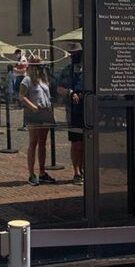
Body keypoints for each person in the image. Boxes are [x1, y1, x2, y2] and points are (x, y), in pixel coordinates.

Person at [18, 57, 56, 186]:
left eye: (42, 66)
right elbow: (21, 96)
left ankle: (42, 172)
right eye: (38, 66)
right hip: (34, 113)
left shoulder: (43, 79)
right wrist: (32, 106)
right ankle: (31, 173)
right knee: (33, 143)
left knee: (43, 143)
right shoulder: (27, 79)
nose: (41, 68)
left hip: (45, 112)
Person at [57, 48, 85, 184]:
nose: (74, 55)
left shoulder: (89, 70)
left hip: (88, 110)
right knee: (76, 142)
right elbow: (58, 88)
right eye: (72, 53)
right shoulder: (66, 70)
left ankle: (85, 168)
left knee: (87, 142)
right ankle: (77, 172)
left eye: (77, 53)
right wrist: (70, 92)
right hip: (73, 112)